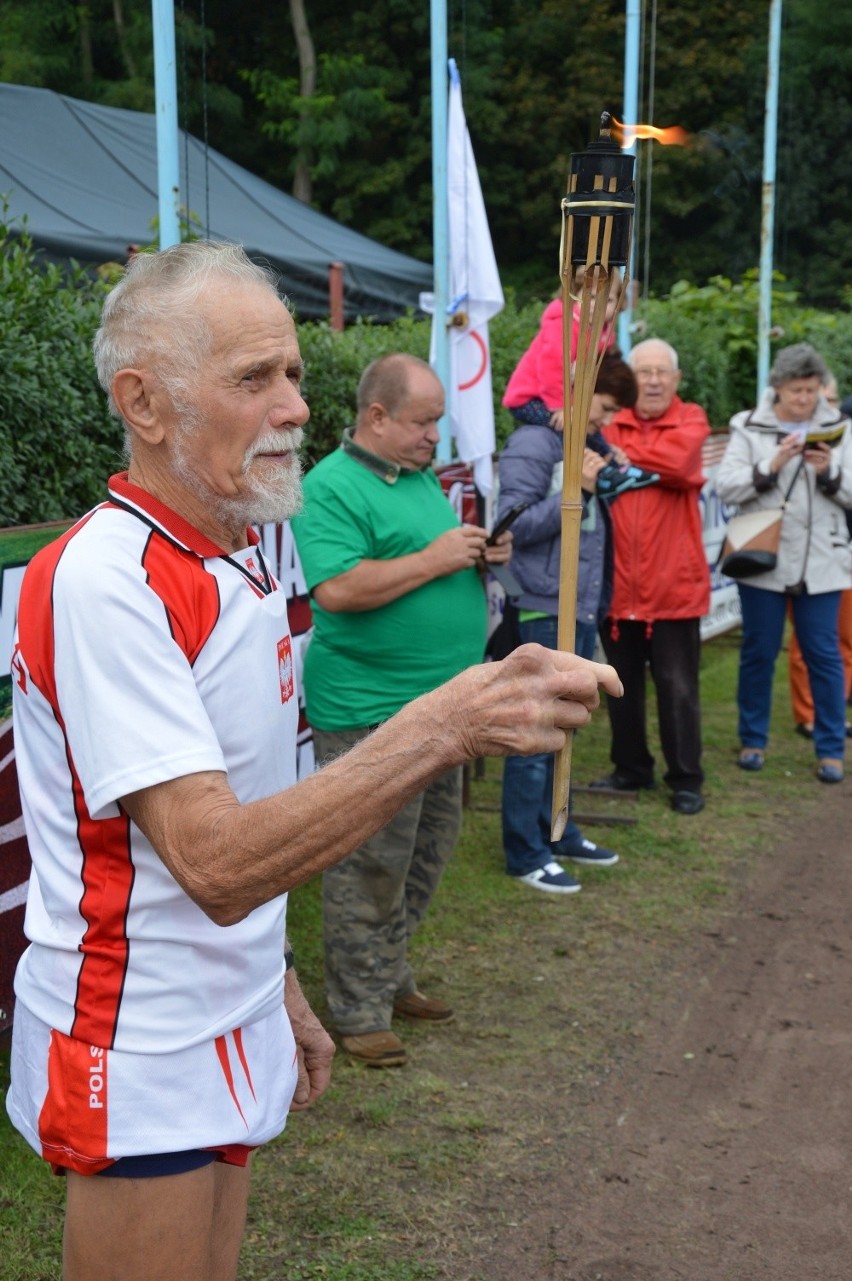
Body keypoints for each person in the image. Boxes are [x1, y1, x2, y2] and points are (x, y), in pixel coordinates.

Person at [5, 242, 622, 1281]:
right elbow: (211, 859)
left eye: (292, 372)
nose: (295, 405)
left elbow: (243, 801)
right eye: (255, 379)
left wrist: (274, 981)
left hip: (226, 1001)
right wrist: (446, 724)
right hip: (140, 1037)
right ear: (144, 404)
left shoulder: (234, 548)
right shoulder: (106, 580)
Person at [290, 353, 515, 1069]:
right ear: (377, 416)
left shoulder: (416, 479)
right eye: (422, 422)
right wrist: (441, 558)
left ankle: (388, 973)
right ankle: (358, 1006)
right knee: (370, 860)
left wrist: (479, 553)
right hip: (369, 710)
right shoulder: (330, 486)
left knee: (427, 850)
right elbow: (339, 590)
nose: (433, 436)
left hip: (440, 707)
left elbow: (429, 556)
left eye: (439, 421)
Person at [496, 354, 639, 892]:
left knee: (565, 726)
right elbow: (509, 526)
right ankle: (525, 850)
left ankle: (559, 828)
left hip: (575, 604)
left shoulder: (581, 443)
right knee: (535, 729)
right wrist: (573, 489)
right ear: (576, 395)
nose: (605, 424)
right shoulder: (534, 444)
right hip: (541, 604)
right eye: (602, 410)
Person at [716, 342, 852, 783]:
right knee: (758, 652)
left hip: (822, 563)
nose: (805, 399)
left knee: (824, 654)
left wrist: (828, 471)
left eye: (811, 390)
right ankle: (753, 740)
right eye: (796, 390)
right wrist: (771, 464)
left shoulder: (840, 429)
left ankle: (831, 748)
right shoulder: (749, 426)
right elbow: (726, 487)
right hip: (762, 561)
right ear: (777, 388)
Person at [593, 338, 711, 814]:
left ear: (677, 381)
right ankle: (630, 769)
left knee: (679, 687)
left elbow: (682, 463)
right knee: (621, 685)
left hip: (673, 586)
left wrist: (621, 455)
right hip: (616, 585)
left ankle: (686, 778)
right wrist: (639, 456)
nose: (655, 381)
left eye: (664, 372)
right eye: (645, 372)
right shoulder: (610, 419)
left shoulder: (692, 418)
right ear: (630, 379)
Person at [501, 273, 658, 500]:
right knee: (572, 429)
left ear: (618, 305)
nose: (597, 305)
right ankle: (606, 471)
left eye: (608, 300)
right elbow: (551, 368)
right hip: (529, 398)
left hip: (556, 396)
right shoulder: (563, 325)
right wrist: (561, 407)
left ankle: (613, 464)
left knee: (585, 427)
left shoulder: (604, 333)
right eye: (590, 297)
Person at [787, 373, 852, 738]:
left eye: (827, 399)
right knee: (811, 640)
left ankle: (834, 711)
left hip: (838, 550)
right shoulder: (811, 439)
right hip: (825, 553)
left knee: (842, 640)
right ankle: (809, 714)